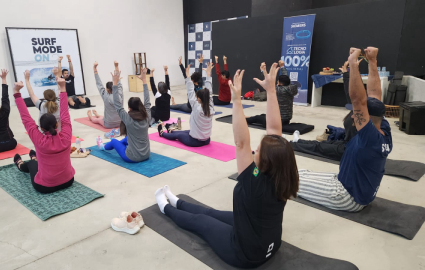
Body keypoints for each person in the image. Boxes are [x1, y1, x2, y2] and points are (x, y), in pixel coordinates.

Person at [154, 63, 299, 268]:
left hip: (245, 255)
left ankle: (165, 207)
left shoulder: (254, 181)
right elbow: (275, 129)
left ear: (265, 162)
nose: (254, 150)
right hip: (271, 243)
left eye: (258, 151)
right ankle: (178, 201)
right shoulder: (282, 174)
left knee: (200, 223)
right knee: (212, 214)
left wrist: (236, 101)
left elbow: (241, 143)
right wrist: (271, 91)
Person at [297, 47, 393, 212]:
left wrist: (352, 65)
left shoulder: (369, 138)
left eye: (355, 116)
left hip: (347, 196)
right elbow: (374, 94)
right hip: (352, 186)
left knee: (286, 180)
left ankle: (255, 173)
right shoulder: (383, 127)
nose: (353, 116)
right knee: (299, 172)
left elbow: (357, 100)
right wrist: (372, 61)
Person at [12, 76, 75, 193]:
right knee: (36, 161)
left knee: (32, 164)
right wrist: (63, 88)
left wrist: (17, 92)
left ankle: (20, 164)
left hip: (45, 187)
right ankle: (34, 158)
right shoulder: (66, 136)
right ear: (57, 125)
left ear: (41, 128)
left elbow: (26, 118)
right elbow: (65, 115)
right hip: (68, 181)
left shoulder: (39, 139)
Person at [98, 66, 151, 163]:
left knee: (113, 141)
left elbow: (118, 105)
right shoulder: (147, 116)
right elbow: (147, 101)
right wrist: (144, 80)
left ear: (129, 108)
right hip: (146, 154)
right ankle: (112, 145)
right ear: (141, 106)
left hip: (132, 157)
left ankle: (102, 147)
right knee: (128, 138)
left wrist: (115, 83)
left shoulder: (129, 119)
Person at [158, 63, 215, 147]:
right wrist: (208, 74)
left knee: (178, 136)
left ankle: (162, 133)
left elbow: (190, 91)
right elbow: (209, 91)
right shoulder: (210, 106)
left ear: (199, 99)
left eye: (196, 96)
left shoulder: (196, 107)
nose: (195, 97)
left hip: (194, 141)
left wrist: (188, 75)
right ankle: (171, 131)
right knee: (185, 132)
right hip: (207, 139)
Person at [246, 62, 297, 128]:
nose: (276, 82)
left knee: (257, 118)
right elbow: (286, 78)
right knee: (262, 115)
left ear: (280, 84)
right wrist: (282, 67)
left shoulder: (277, 90)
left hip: (277, 121)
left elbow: (267, 81)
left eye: (278, 81)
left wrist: (262, 70)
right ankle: (247, 117)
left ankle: (244, 119)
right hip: (287, 119)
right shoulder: (292, 88)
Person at [87, 61, 122, 137]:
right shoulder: (120, 94)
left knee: (97, 120)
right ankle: (97, 114)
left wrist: (95, 69)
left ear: (106, 89)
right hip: (121, 122)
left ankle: (91, 117)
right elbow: (118, 83)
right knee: (104, 117)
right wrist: (116, 66)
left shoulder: (105, 95)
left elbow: (99, 83)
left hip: (108, 124)